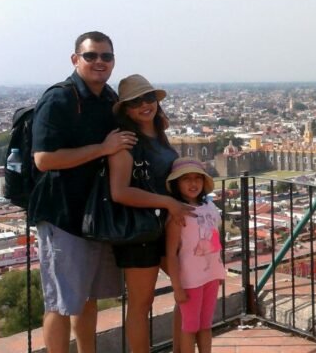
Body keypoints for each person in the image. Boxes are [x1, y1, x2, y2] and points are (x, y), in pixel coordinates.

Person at [30, 31, 138, 353]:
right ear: (75, 59)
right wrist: (101, 148)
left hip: (93, 214)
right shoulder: (59, 99)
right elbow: (44, 159)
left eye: (106, 56)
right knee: (61, 303)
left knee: (86, 297)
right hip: (61, 214)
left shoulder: (107, 99)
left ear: (113, 61)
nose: (99, 62)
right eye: (91, 56)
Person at [108, 74, 196, 353]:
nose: (144, 105)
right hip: (139, 230)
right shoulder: (126, 142)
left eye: (149, 98)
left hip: (167, 226)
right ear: (125, 110)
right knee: (141, 303)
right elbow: (119, 192)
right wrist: (168, 203)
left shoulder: (159, 135)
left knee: (188, 292)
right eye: (135, 102)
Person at [165, 158, 226, 353]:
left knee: (206, 325)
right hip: (190, 280)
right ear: (177, 184)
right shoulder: (178, 213)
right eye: (186, 179)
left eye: (197, 178)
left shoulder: (209, 207)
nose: (193, 184)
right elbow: (171, 253)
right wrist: (177, 287)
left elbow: (215, 240)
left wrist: (219, 271)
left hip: (210, 275)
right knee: (190, 327)